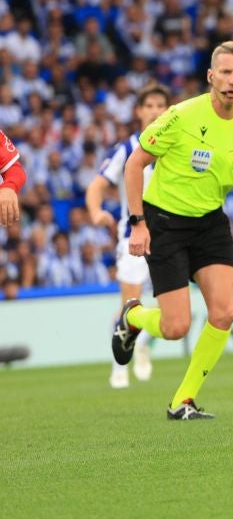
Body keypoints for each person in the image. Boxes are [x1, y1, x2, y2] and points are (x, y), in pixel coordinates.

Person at [111, 42, 233, 420]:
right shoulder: (179, 116)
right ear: (211, 77)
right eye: (225, 73)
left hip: (210, 223)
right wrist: (138, 223)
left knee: (224, 313)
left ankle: (182, 400)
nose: (231, 81)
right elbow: (134, 165)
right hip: (164, 221)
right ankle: (132, 317)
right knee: (175, 326)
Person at [85, 82, 170, 389]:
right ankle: (118, 367)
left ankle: (144, 345)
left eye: (160, 105)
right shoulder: (126, 148)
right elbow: (96, 185)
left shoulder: (176, 145)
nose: (155, 110)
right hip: (133, 236)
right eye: (149, 105)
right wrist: (96, 213)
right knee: (130, 306)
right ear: (138, 111)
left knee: (171, 312)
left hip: (170, 238)